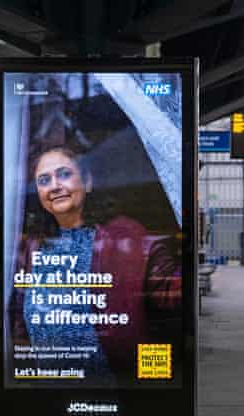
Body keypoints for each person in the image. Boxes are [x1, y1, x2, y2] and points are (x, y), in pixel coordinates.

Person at [9, 144, 180, 384]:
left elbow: (169, 293)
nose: (55, 186)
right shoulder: (32, 244)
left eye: (65, 174)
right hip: (47, 383)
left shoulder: (125, 237)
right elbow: (19, 313)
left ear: (87, 181)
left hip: (113, 383)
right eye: (44, 180)